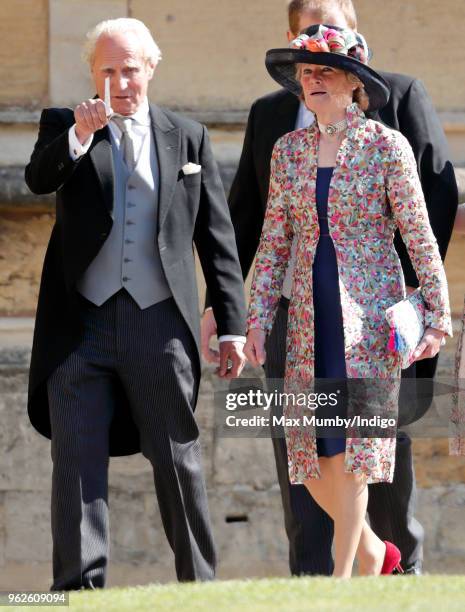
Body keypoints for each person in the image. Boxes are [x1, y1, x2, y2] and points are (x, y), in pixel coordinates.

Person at [201, 0, 458, 575]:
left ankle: (343, 579)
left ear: (354, 84)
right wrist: (254, 320)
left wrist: (438, 315)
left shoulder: (385, 147)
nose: (311, 81)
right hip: (304, 318)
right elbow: (271, 250)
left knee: (360, 453)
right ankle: (374, 554)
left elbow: (418, 236)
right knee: (311, 459)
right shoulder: (287, 152)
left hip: (368, 320)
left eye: (325, 71)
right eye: (305, 72)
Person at [25, 18, 247, 590]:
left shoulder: (187, 136)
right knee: (76, 462)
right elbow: (37, 178)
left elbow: (215, 239)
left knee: (178, 456)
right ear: (93, 74)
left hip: (160, 321)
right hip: (80, 324)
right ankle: (76, 591)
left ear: (151, 68)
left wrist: (232, 326)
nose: (120, 82)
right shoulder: (65, 126)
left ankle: (199, 586)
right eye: (107, 70)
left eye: (130, 69)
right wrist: (77, 136)